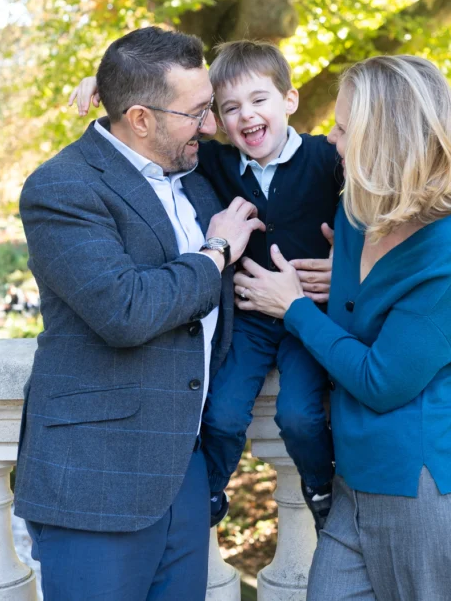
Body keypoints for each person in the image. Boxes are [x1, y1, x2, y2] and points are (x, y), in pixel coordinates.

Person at [234, 55, 451, 599]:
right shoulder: (355, 218)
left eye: (342, 128)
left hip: (430, 495)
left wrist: (293, 308)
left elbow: (382, 381)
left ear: (384, 139)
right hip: (351, 489)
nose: (329, 139)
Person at [14, 26, 267, 600]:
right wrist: (216, 252)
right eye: (197, 113)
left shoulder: (196, 172)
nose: (211, 125)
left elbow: (275, 145)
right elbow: (125, 309)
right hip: (96, 481)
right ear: (141, 119)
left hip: (185, 472)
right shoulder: (62, 187)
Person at [70, 40, 342, 530]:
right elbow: (148, 121)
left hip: (308, 319)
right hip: (250, 319)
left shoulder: (328, 157)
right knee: (221, 415)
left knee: (300, 416)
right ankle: (209, 493)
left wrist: (345, 263)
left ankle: (322, 486)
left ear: (290, 100)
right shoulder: (213, 162)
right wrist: (106, 88)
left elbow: (382, 192)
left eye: (259, 100)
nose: (246, 115)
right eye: (229, 108)